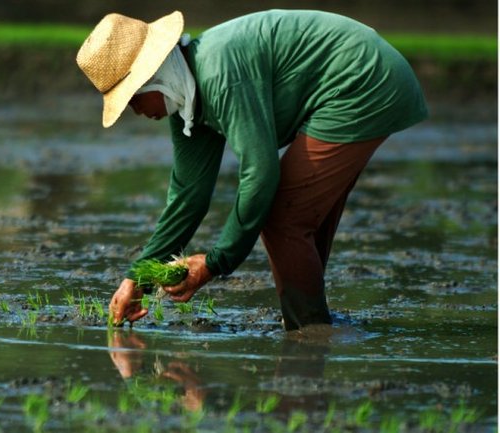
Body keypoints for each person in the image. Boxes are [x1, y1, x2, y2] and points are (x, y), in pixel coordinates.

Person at [76, 10, 428, 330]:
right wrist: (137, 278)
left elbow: (260, 174)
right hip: (349, 81)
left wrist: (215, 263)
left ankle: (310, 332)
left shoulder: (219, 75)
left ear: (152, 79)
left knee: (281, 219)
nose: (135, 111)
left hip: (361, 80)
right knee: (300, 218)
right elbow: (188, 196)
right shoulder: (186, 100)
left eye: (132, 99)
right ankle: (315, 327)